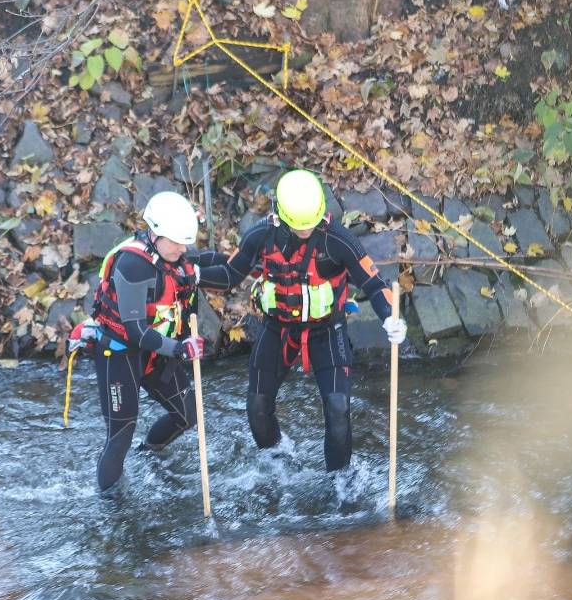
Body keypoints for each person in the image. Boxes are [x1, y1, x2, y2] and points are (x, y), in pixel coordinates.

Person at [198, 169, 406, 471]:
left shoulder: (338, 240)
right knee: (257, 404)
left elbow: (374, 284)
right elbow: (230, 274)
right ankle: (276, 460)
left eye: (310, 224)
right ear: (279, 214)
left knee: (337, 409)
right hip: (277, 328)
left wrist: (391, 317)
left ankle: (340, 481)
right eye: (299, 226)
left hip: (327, 330)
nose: (306, 230)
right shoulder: (261, 235)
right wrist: (194, 276)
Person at [85, 191, 207, 492]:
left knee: (187, 414)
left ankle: (148, 455)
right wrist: (180, 349)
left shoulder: (176, 259)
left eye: (185, 241)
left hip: (155, 354)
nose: (183, 248)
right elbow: (136, 331)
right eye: (176, 241)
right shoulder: (132, 265)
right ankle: (110, 503)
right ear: (154, 233)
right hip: (120, 354)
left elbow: (220, 269)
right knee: (121, 432)